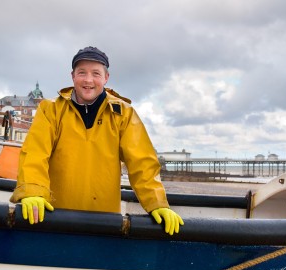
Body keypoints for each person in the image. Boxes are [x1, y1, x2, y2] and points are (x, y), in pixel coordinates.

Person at [10, 46, 184, 235]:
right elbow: (35, 153)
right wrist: (33, 192)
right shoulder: (50, 110)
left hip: (104, 222)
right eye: (82, 72)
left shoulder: (123, 113)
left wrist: (157, 203)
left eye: (96, 73)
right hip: (53, 218)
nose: (88, 80)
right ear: (73, 76)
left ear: (106, 77)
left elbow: (142, 162)